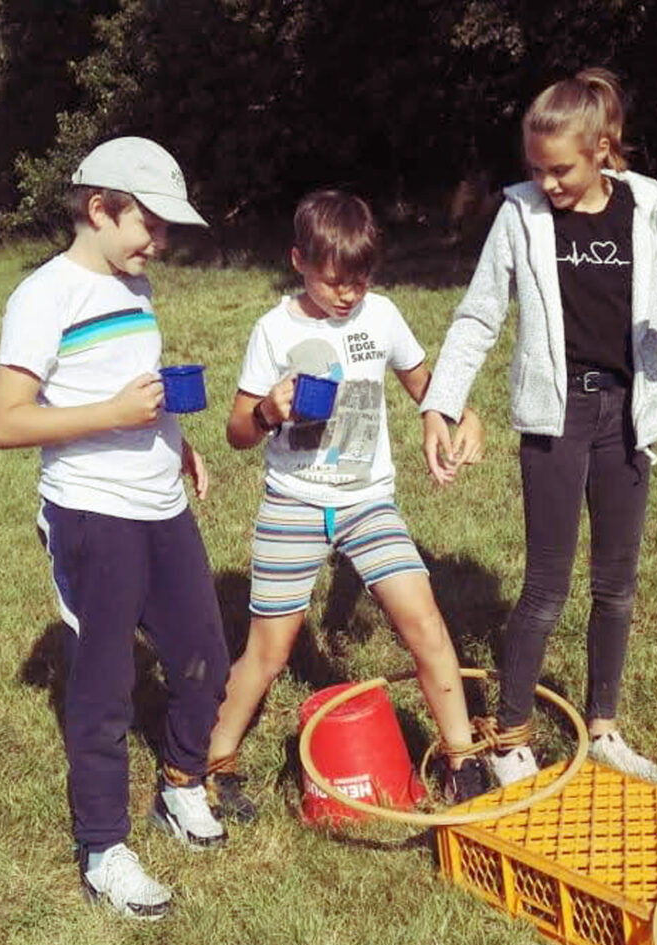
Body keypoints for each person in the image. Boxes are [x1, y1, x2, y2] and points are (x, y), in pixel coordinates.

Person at [421, 69, 657, 786]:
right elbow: (477, 316)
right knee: (547, 584)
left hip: (627, 411)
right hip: (557, 417)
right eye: (536, 169)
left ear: (603, 151)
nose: (548, 183)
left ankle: (605, 726)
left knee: (616, 585)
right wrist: (439, 402)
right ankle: (512, 737)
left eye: (561, 170)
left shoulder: (650, 209)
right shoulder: (520, 216)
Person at [0, 137, 230, 919]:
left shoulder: (138, 286)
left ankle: (182, 785)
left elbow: (138, 393)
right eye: (149, 225)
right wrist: (115, 415)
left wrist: (177, 444)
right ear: (99, 209)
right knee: (103, 685)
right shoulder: (44, 296)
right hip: (92, 512)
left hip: (161, 504)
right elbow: (5, 421)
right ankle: (103, 847)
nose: (158, 243)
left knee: (203, 656)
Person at [205, 189, 490, 822]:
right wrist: (266, 411)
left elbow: (427, 388)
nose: (347, 295)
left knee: (424, 622)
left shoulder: (381, 318)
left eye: (360, 281)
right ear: (298, 260)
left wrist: (460, 414)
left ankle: (462, 757)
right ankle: (213, 761)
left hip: (368, 504)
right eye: (334, 281)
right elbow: (235, 432)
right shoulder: (274, 330)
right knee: (270, 651)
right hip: (293, 505)